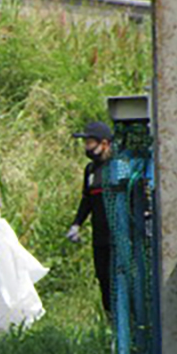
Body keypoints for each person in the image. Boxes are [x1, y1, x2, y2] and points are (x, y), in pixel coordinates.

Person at [66, 120, 114, 316]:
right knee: (103, 278)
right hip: (99, 236)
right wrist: (77, 223)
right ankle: (110, 321)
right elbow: (87, 200)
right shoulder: (90, 170)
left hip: (118, 237)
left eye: (90, 142)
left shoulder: (118, 167)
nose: (86, 147)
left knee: (119, 280)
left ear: (104, 143)